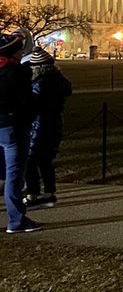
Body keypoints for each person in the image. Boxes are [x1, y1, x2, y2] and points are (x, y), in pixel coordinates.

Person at [24, 47, 72, 211]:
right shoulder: (59, 80)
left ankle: (33, 194)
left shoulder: (40, 84)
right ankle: (49, 193)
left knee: (30, 160)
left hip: (40, 124)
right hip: (54, 123)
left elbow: (33, 105)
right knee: (46, 160)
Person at [1, 31, 39, 233]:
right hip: (13, 127)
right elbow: (28, 102)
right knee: (14, 175)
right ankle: (16, 220)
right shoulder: (16, 73)